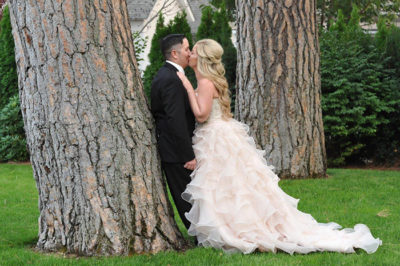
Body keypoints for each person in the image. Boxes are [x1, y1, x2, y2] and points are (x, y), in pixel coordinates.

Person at [176, 38, 382, 254]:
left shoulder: (206, 82)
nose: (189, 54)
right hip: (217, 134)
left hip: (216, 136)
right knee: (228, 185)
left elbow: (201, 115)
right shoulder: (206, 80)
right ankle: (229, 224)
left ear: (203, 57)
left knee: (224, 183)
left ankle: (235, 228)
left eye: (194, 51)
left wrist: (189, 88)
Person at [151, 34, 196, 230]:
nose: (190, 53)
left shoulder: (170, 75)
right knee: (187, 197)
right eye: (187, 49)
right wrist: (188, 155)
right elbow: (175, 120)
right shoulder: (171, 78)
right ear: (175, 53)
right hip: (176, 153)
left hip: (176, 150)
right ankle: (199, 235)